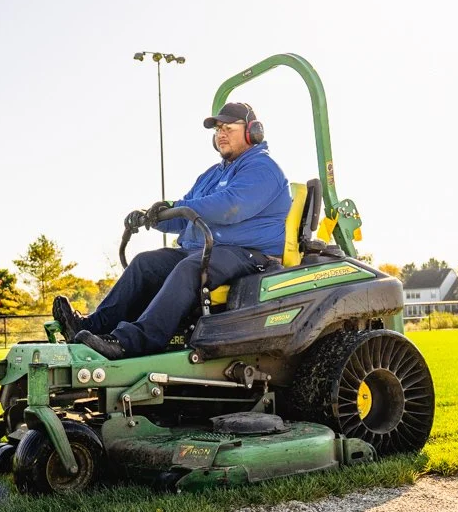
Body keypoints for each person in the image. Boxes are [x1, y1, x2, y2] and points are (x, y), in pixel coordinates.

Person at [55, 102, 290, 359]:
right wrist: (153, 217)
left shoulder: (262, 168)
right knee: (145, 263)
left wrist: (177, 206)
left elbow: (230, 207)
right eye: (218, 129)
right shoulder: (211, 175)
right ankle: (90, 327)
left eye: (229, 128)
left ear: (252, 132)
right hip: (205, 249)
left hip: (248, 254)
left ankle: (131, 342)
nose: (221, 134)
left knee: (191, 267)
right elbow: (184, 216)